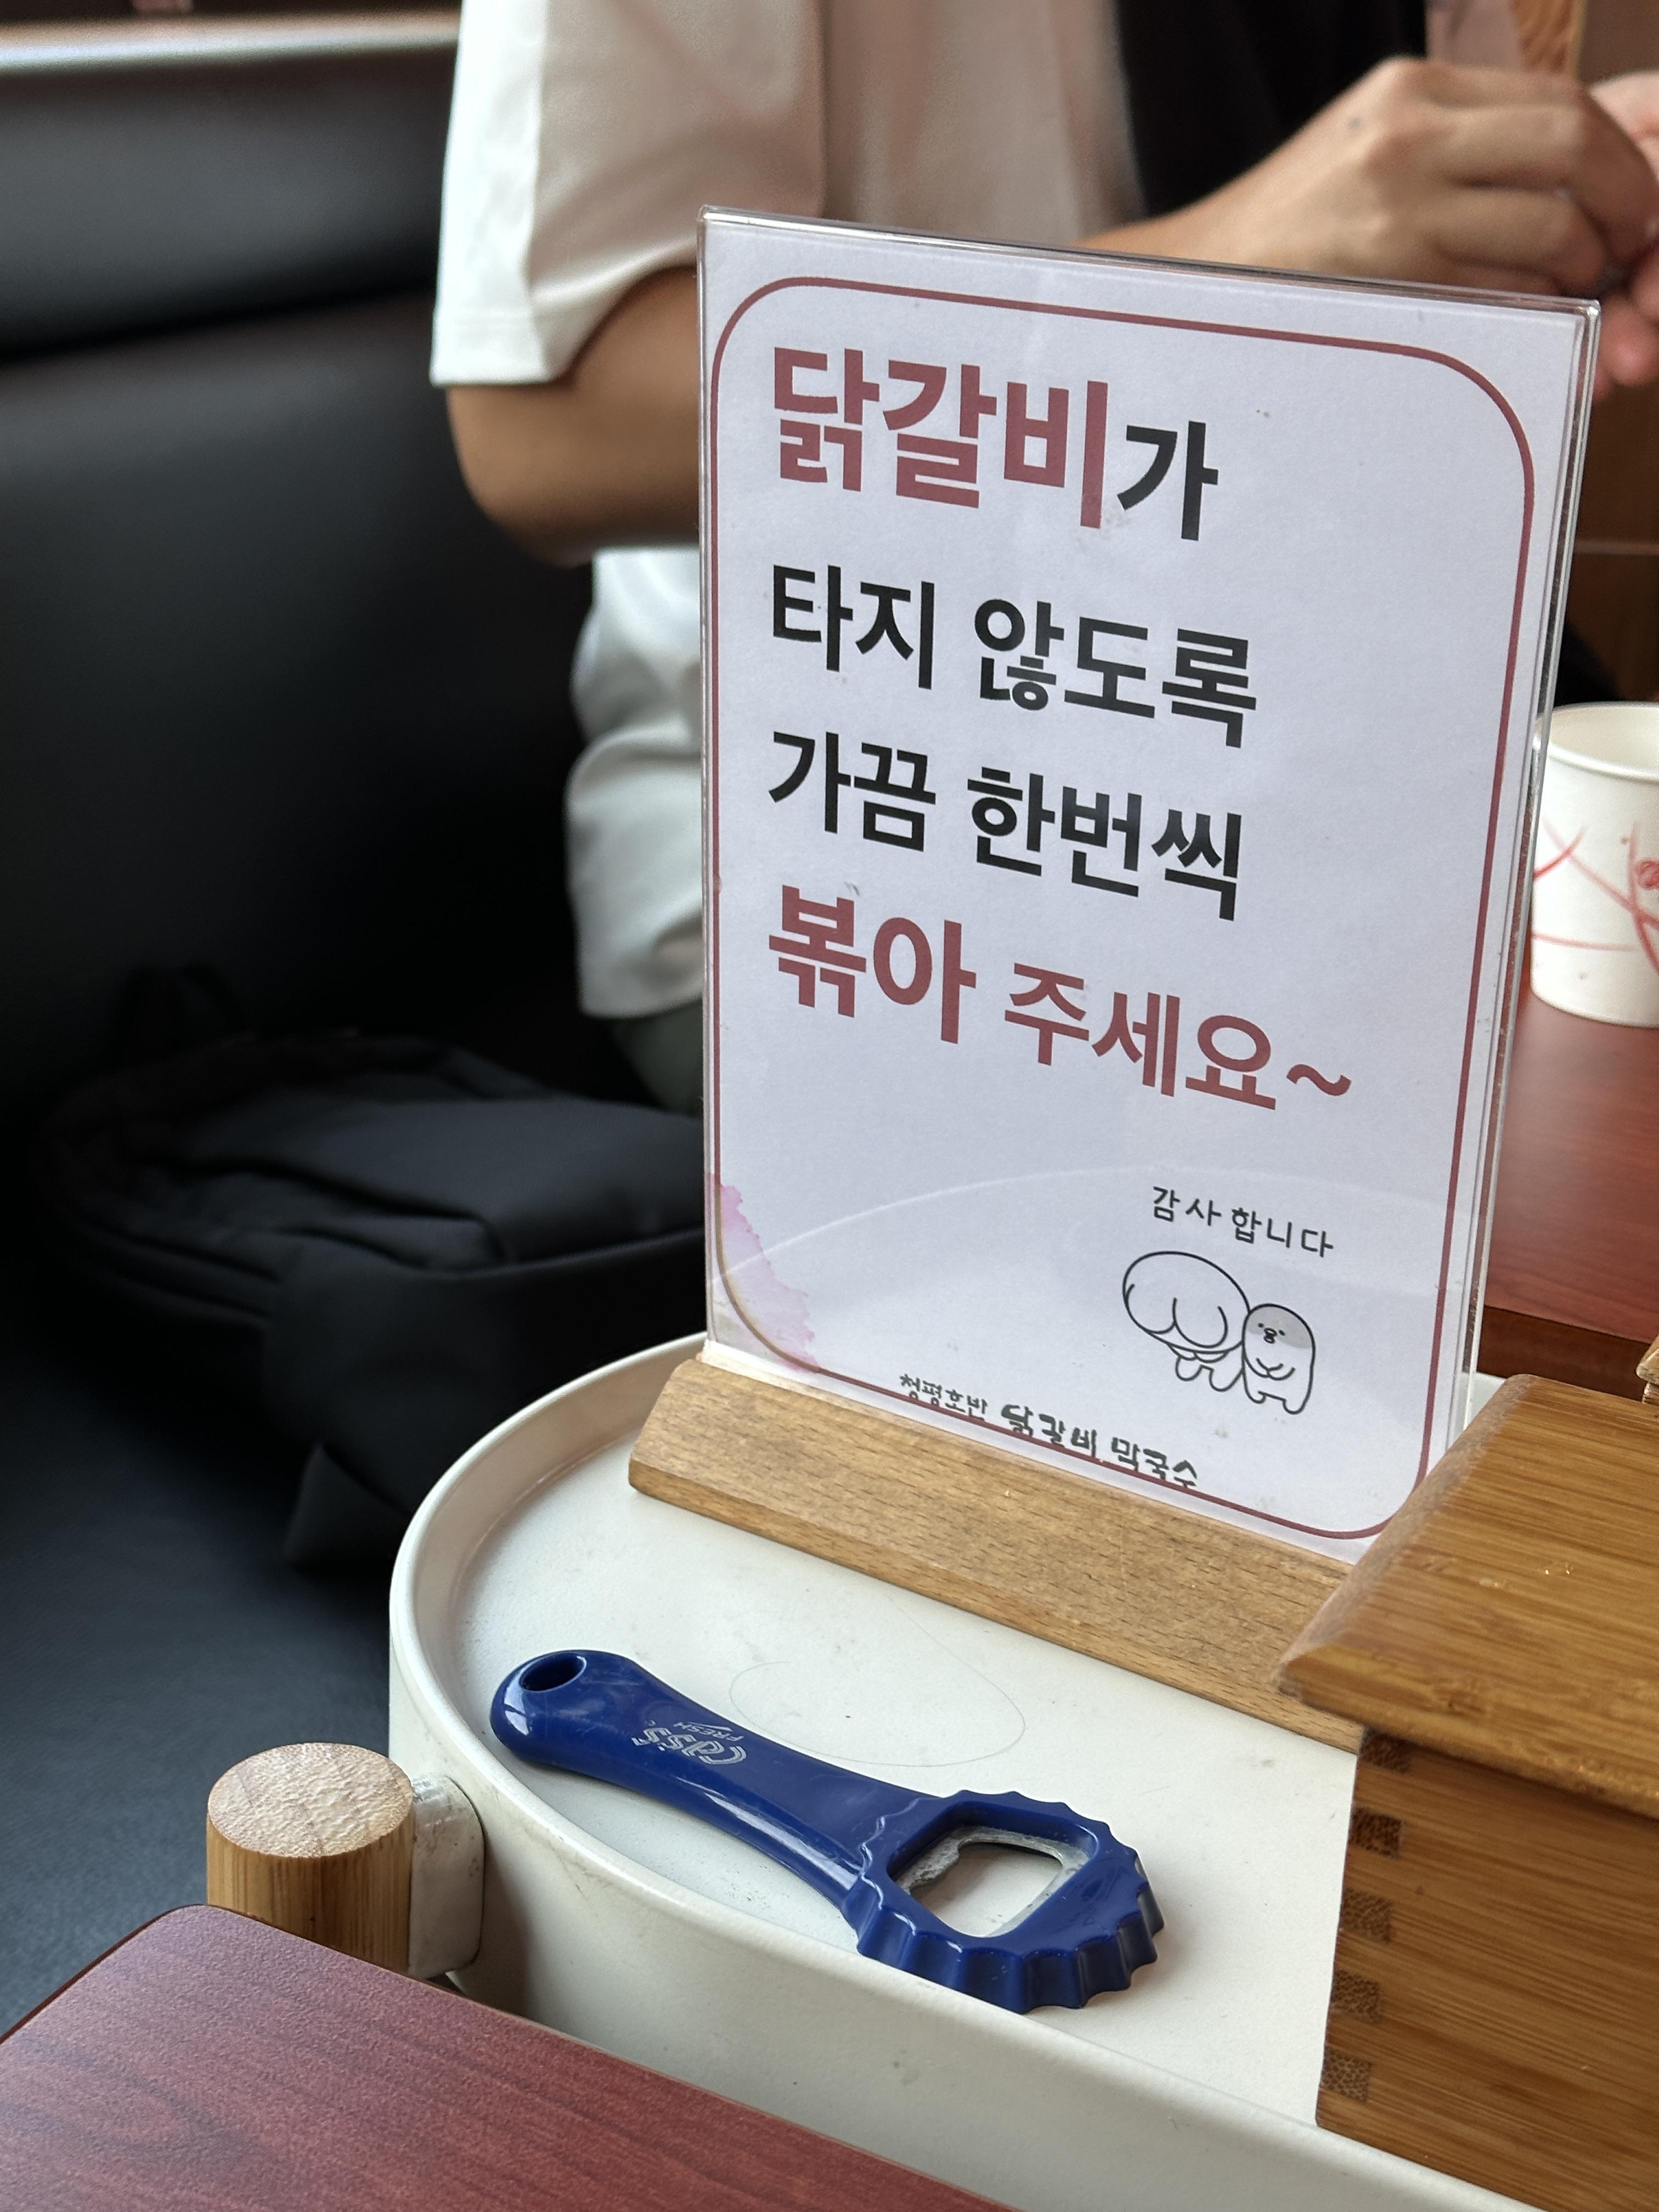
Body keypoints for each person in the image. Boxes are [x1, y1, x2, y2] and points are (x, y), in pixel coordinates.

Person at [430, 2, 1659, 1114]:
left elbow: (1398, 322)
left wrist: (1560, 219)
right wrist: (1205, 282)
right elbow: (544, 427)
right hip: (881, 871)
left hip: (1340, 818)